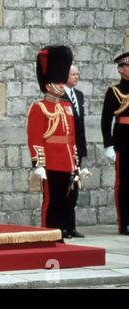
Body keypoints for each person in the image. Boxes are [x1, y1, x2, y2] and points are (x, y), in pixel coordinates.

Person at [27, 45, 78, 240]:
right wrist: (39, 163)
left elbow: (71, 137)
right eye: (58, 82)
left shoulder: (66, 106)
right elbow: (35, 137)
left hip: (66, 162)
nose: (61, 86)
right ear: (48, 85)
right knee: (51, 200)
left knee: (65, 200)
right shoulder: (39, 107)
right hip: (51, 162)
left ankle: (61, 232)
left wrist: (75, 162)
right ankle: (49, 234)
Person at [101, 51, 129, 235]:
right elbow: (106, 120)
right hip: (124, 139)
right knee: (125, 183)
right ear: (121, 69)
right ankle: (125, 222)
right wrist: (108, 145)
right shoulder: (115, 91)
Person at [61, 65, 87, 238]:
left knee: (74, 187)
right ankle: (62, 225)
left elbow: (80, 126)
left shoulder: (78, 95)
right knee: (64, 188)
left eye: (78, 74)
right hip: (64, 149)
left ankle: (71, 226)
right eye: (73, 74)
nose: (76, 77)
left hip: (77, 147)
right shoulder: (59, 95)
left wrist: (82, 148)